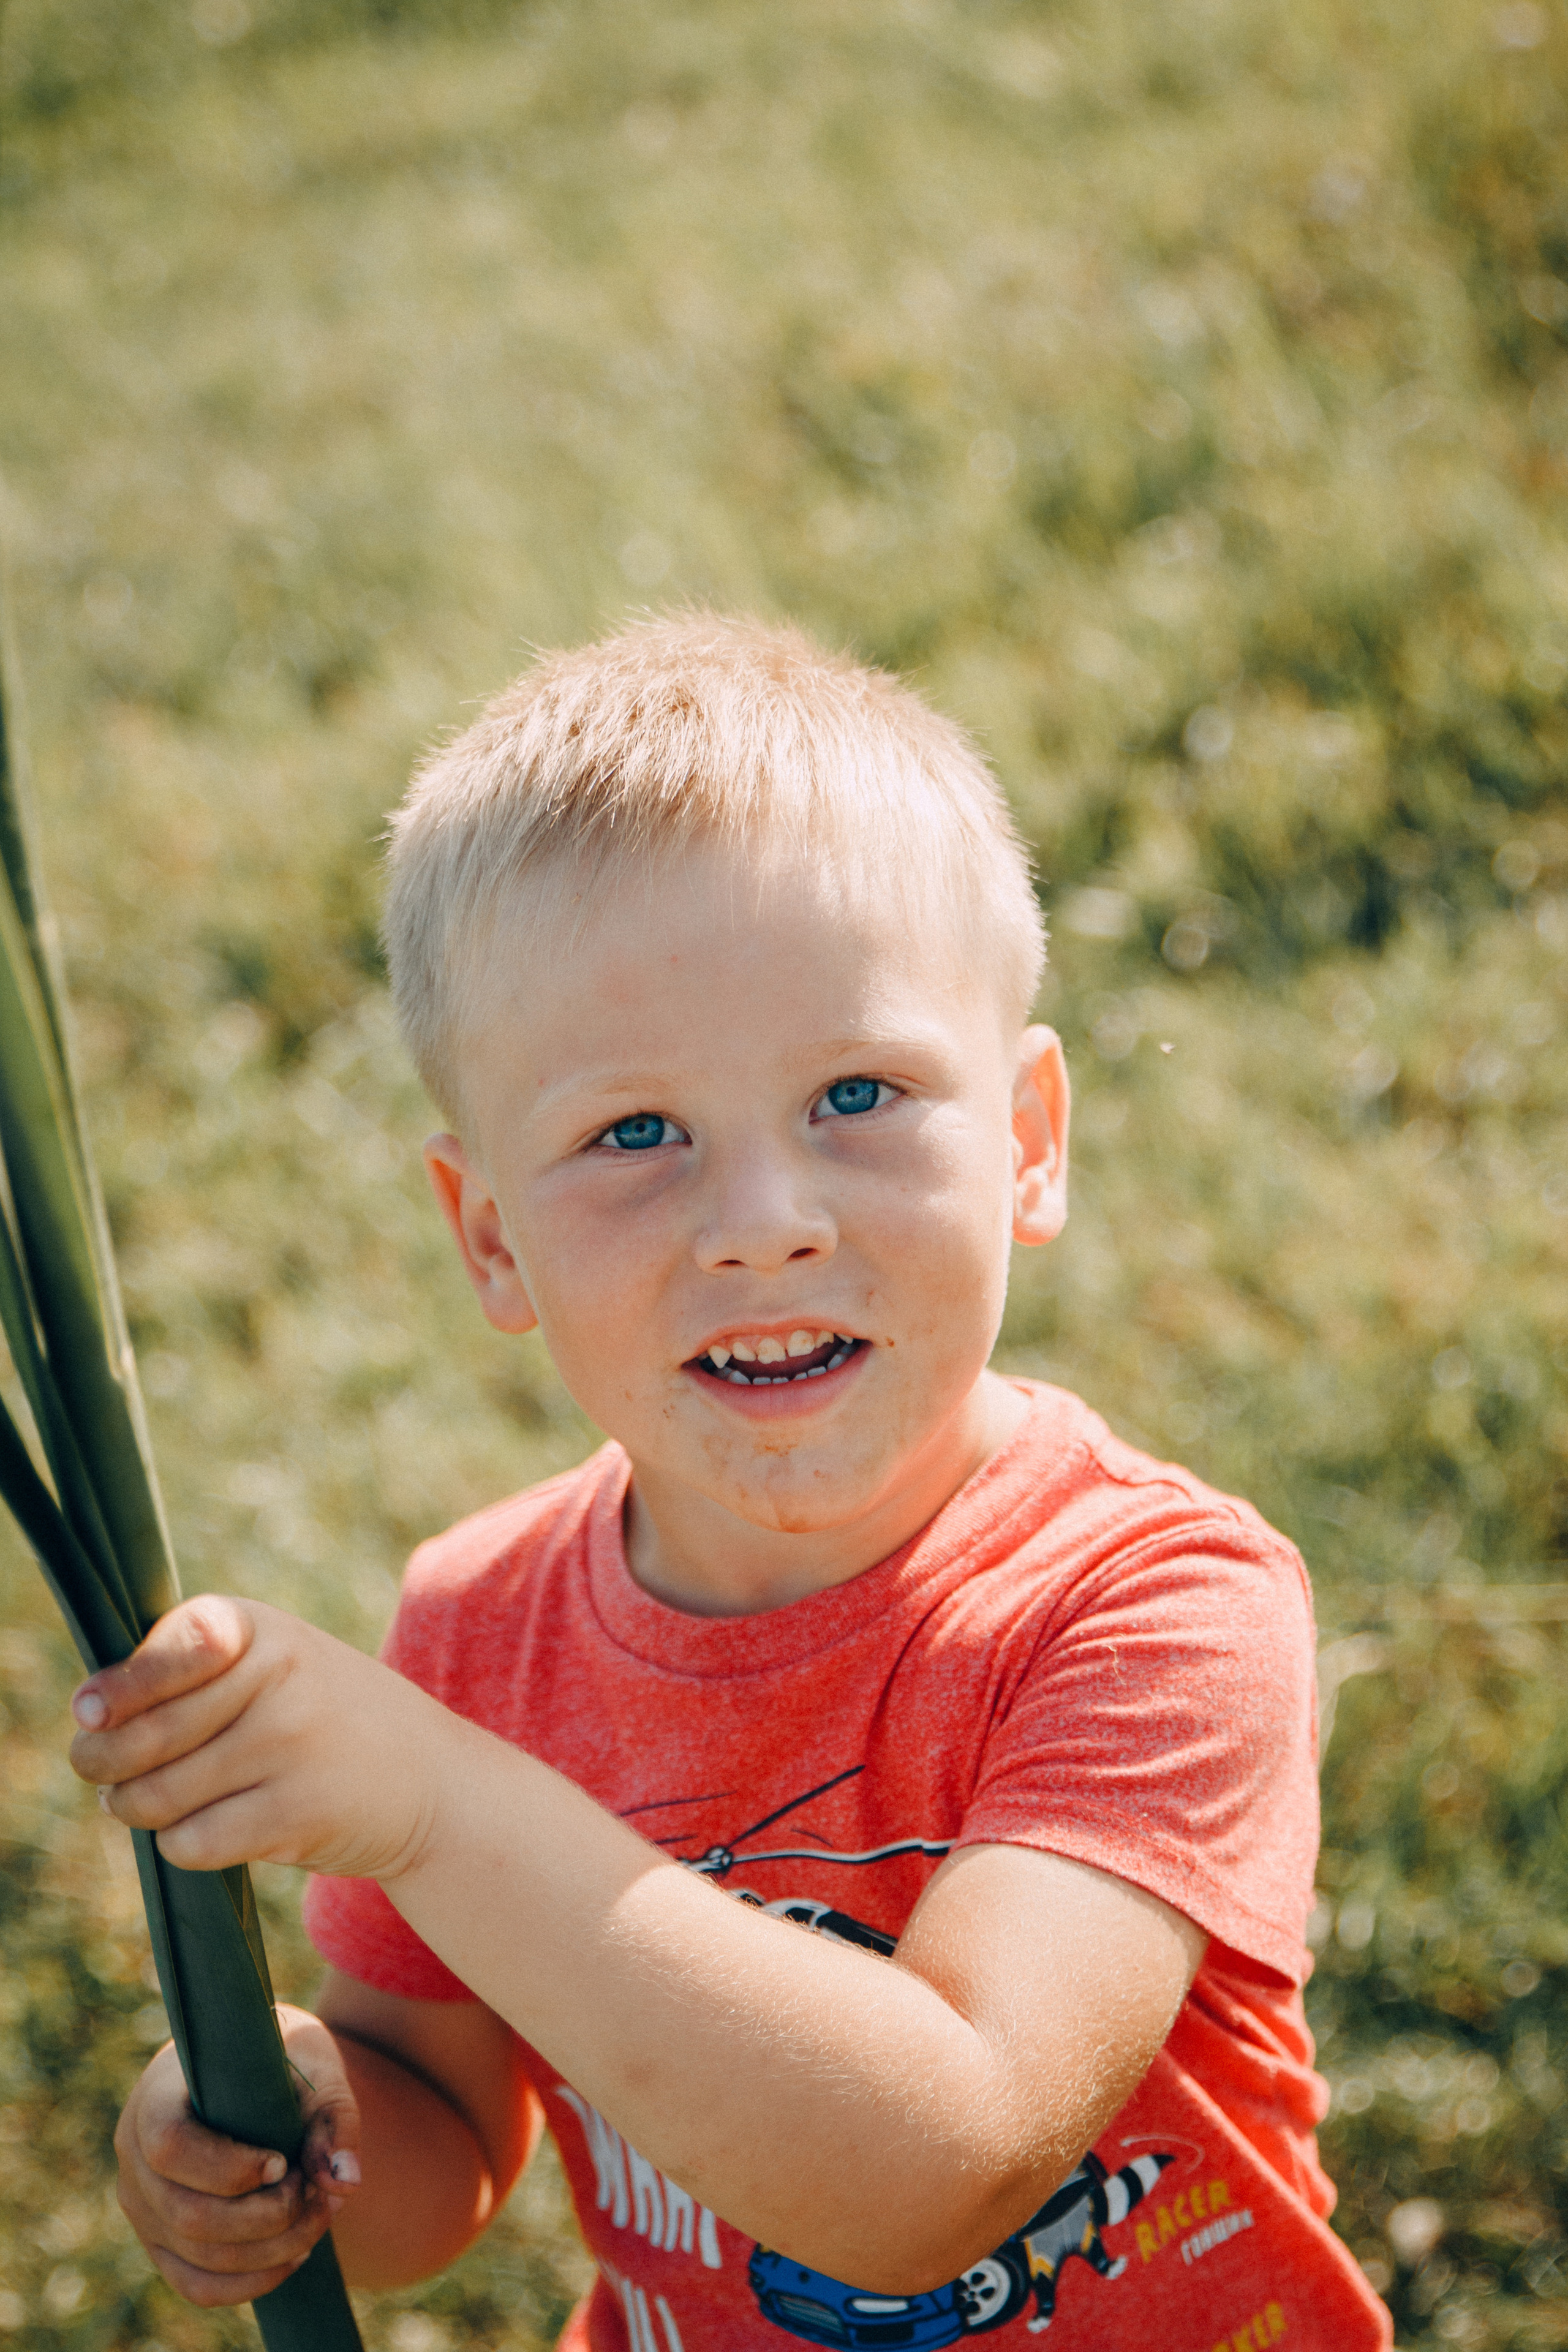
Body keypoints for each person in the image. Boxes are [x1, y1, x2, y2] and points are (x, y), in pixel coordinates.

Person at [71, 617, 1391, 2351]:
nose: (765, 1219)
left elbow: (946, 2169)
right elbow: (440, 2141)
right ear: (490, 1237)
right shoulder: (484, 1625)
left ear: (1029, 1139)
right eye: (636, 1135)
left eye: (860, 1092)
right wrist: (289, 2117)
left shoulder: (1155, 1604)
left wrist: (441, 1807)